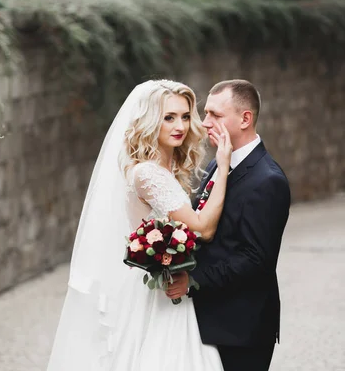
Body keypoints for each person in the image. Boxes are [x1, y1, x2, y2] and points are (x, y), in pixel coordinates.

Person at [47, 80, 232, 371]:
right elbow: (202, 228)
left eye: (185, 116)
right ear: (149, 121)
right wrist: (223, 167)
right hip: (152, 291)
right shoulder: (149, 174)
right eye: (168, 117)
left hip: (160, 280)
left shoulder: (159, 168)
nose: (180, 126)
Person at [167, 79, 291, 371]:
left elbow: (256, 260)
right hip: (209, 317)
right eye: (206, 113)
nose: (205, 122)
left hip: (241, 327)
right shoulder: (218, 164)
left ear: (245, 119)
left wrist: (192, 280)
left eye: (216, 115)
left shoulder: (268, 179)